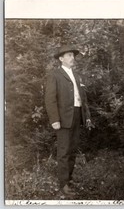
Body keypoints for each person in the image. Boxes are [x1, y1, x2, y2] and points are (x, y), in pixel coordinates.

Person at [45, 44, 91, 195]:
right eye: (69, 55)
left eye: (73, 55)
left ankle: (69, 179)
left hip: (77, 116)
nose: (73, 58)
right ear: (61, 58)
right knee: (64, 151)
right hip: (63, 119)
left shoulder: (77, 75)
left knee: (72, 150)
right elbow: (50, 99)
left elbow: (83, 99)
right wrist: (54, 119)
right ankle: (63, 184)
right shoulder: (55, 75)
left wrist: (87, 117)